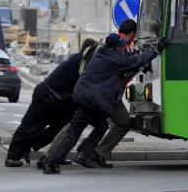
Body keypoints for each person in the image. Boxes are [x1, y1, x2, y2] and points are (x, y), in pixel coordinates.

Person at [42, 33, 169, 174]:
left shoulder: (101, 53)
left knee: (98, 126)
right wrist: (156, 51)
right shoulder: (113, 59)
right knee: (75, 132)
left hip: (84, 96)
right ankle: (56, 161)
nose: (123, 48)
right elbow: (132, 62)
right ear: (114, 48)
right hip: (94, 100)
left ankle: (79, 154)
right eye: (121, 46)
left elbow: (122, 68)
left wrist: (136, 61)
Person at [43, 19, 140, 169]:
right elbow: (121, 69)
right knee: (115, 122)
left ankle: (57, 156)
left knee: (89, 125)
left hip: (99, 92)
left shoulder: (111, 42)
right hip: (102, 93)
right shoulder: (116, 45)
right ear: (133, 34)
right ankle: (88, 154)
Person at [4, 38, 100, 168]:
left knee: (62, 128)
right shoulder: (78, 61)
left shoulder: (83, 62)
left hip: (59, 100)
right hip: (46, 96)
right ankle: (12, 157)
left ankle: (36, 146)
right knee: (29, 125)